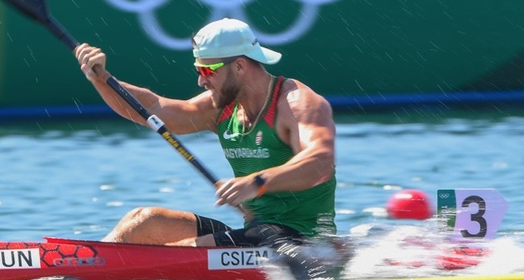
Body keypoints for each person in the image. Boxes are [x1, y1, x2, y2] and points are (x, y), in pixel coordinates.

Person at [74, 17, 337, 249]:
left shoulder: (296, 103)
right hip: (254, 234)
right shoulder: (222, 107)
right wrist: (103, 79)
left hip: (302, 239)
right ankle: (87, 263)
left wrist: (256, 182)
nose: (201, 80)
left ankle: (93, 271)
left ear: (239, 67)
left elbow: (321, 162)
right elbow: (153, 108)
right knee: (143, 220)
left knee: (183, 250)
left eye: (207, 70)